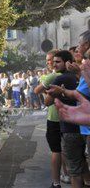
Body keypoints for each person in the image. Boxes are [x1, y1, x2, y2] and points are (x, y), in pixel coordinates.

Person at [45, 50, 90, 188]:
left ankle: (56, 182)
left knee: (74, 169)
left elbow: (47, 101)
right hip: (82, 127)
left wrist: (60, 92)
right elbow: (78, 94)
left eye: (57, 61)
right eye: (52, 62)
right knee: (82, 162)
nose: (53, 64)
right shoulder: (79, 77)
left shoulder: (59, 78)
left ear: (67, 62)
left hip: (71, 126)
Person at [34, 49, 69, 187]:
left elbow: (41, 94)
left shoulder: (53, 77)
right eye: (48, 61)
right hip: (70, 117)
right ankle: (68, 175)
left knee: (57, 150)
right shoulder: (73, 74)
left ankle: (56, 182)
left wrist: (48, 90)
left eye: (52, 60)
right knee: (67, 148)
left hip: (56, 117)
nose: (50, 63)